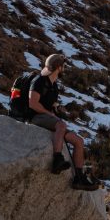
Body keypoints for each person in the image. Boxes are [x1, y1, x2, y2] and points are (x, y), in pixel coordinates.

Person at [28, 53, 98, 191]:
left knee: (78, 141)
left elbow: (51, 106)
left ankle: (79, 178)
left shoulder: (54, 85)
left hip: (48, 119)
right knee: (61, 125)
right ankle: (57, 159)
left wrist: (56, 111)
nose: (64, 69)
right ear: (59, 68)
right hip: (35, 117)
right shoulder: (39, 81)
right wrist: (51, 114)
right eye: (64, 66)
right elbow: (32, 104)